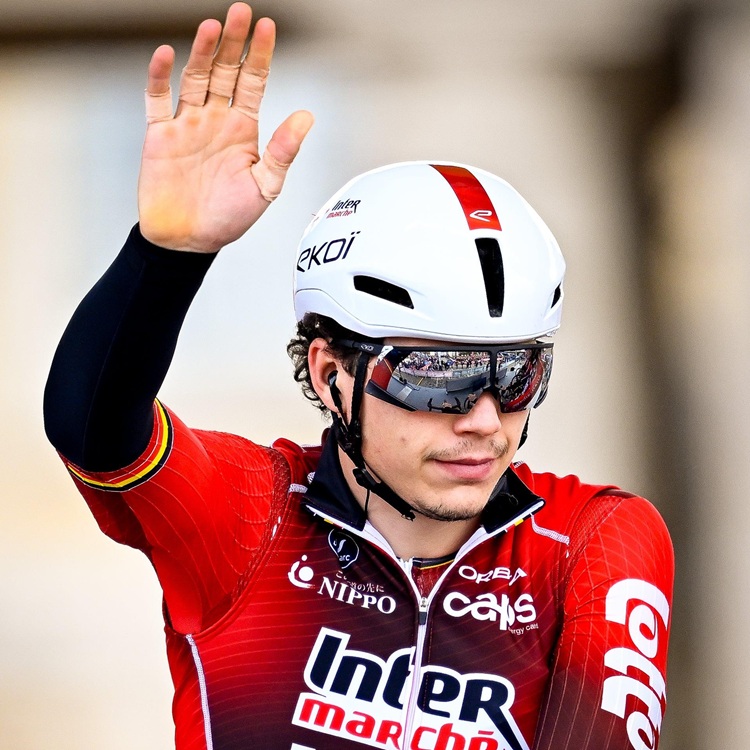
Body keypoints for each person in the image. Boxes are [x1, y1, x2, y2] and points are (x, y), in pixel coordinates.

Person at [43, 4, 674, 749]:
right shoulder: (247, 519)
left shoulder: (589, 539)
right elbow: (91, 427)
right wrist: (166, 254)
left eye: (515, 374)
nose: (483, 419)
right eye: (440, 372)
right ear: (332, 373)